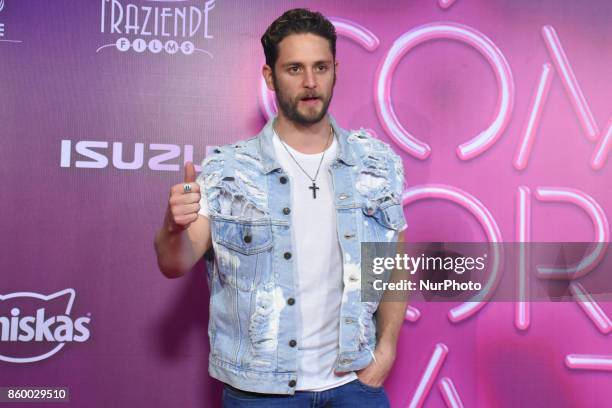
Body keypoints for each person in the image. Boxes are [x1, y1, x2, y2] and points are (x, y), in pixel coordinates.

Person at [154, 8, 408, 407]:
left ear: (335, 70)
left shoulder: (376, 164)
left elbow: (390, 263)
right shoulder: (229, 169)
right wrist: (173, 227)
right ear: (270, 76)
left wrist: (387, 348)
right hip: (261, 392)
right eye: (294, 69)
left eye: (320, 67)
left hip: (353, 387)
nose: (310, 82)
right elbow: (174, 263)